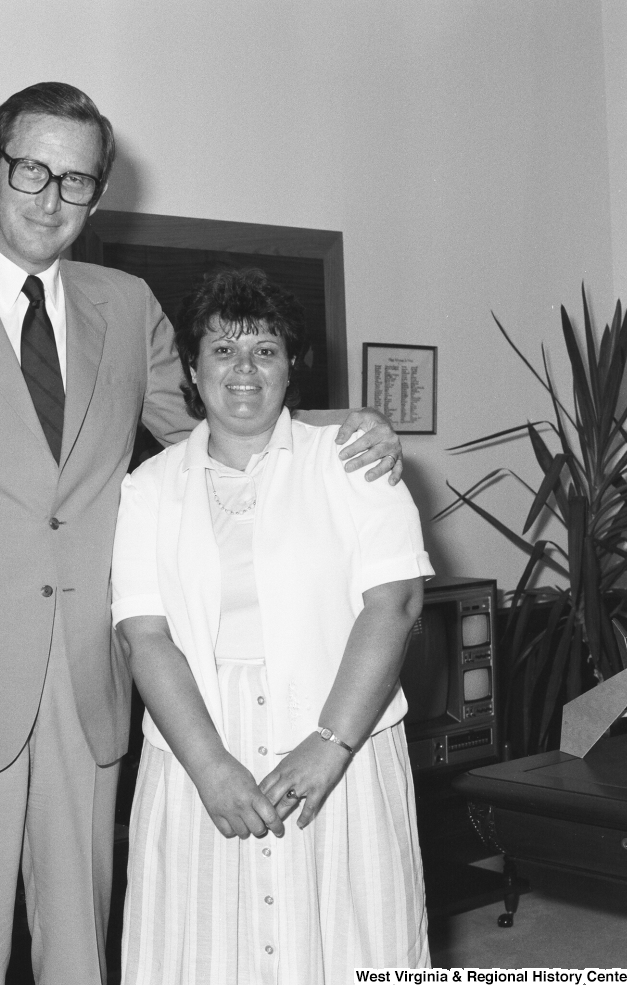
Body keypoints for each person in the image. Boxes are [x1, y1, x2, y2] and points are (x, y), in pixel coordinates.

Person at [0, 82, 404, 985]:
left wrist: (342, 428)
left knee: (83, 944)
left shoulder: (125, 304)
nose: (52, 200)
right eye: (32, 171)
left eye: (78, 182)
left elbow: (210, 422)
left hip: (89, 673)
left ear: (100, 192)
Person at [112, 268, 433, 983]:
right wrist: (211, 766)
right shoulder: (149, 488)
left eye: (266, 348)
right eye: (223, 351)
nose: (245, 368)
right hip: (201, 748)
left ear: (292, 367)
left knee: (350, 943)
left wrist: (329, 745)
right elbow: (144, 635)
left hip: (339, 740)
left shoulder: (353, 461)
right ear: (191, 372)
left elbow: (396, 605)